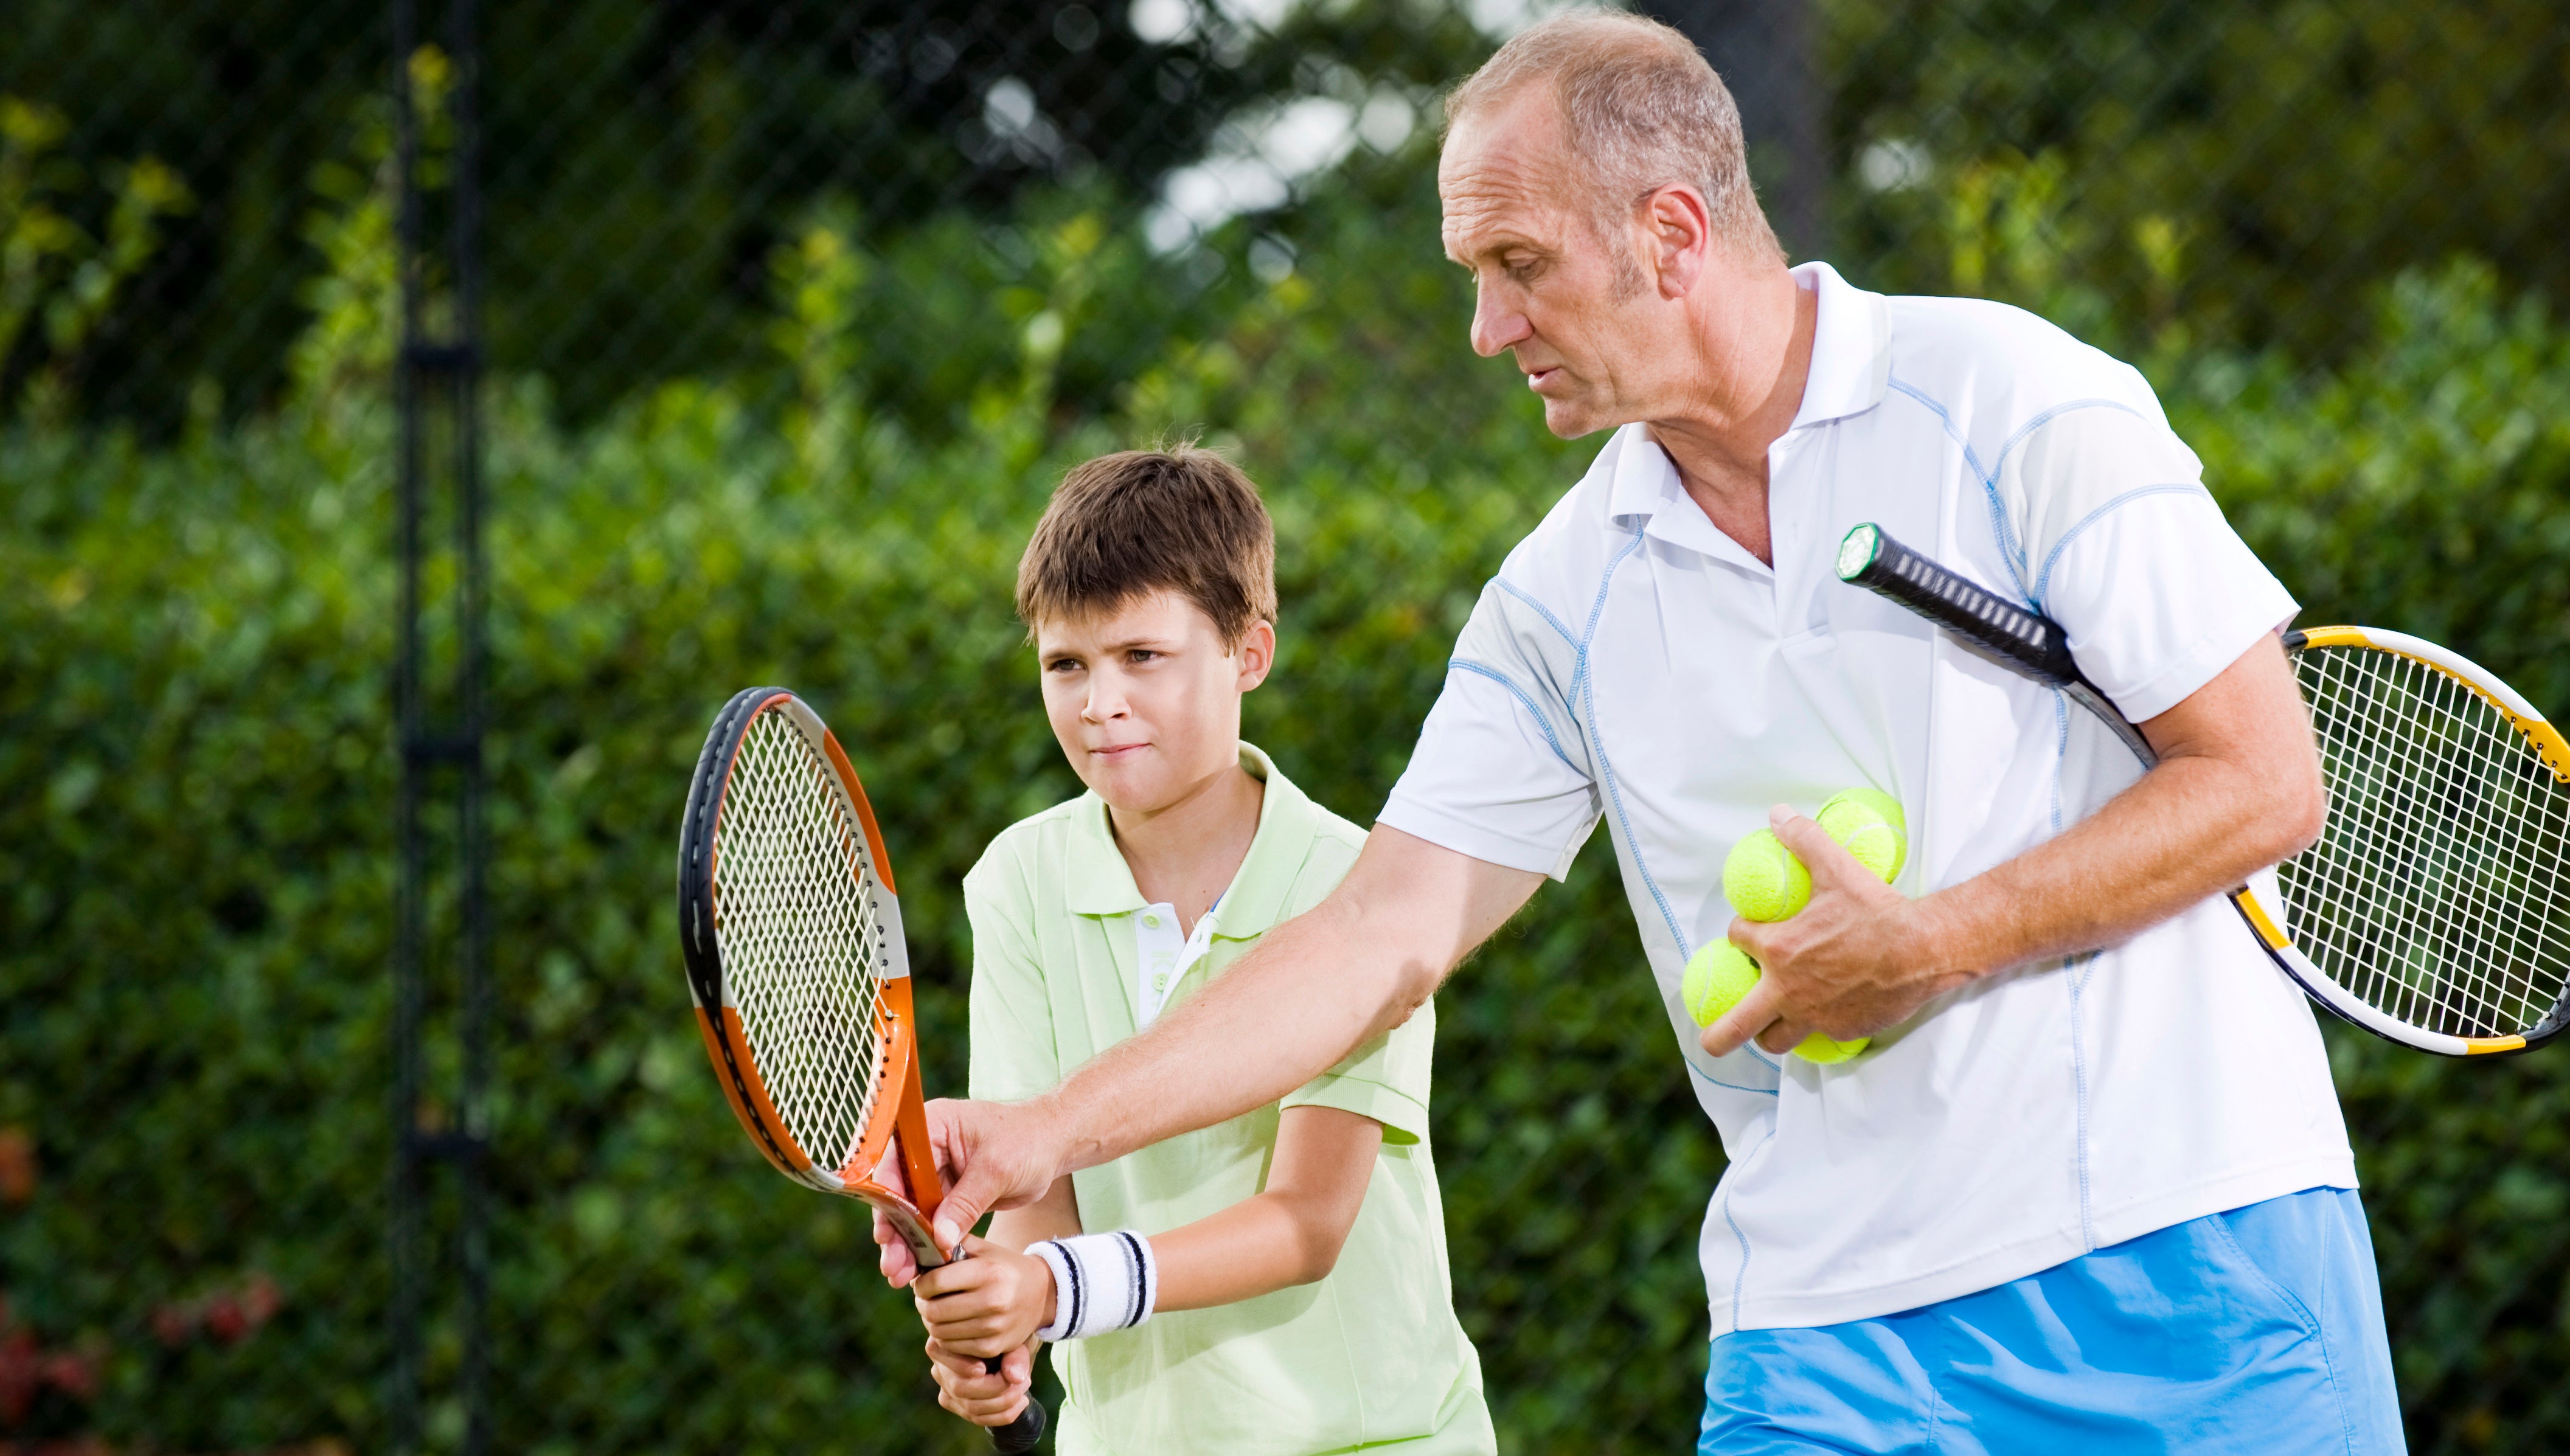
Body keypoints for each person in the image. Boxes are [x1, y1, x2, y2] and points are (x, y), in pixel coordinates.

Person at [908, 13, 2402, 1454]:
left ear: (1672, 234)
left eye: (1519, 267)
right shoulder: (1559, 599)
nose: (1489, 328)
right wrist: (1050, 1131)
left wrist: (1934, 941)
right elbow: (1378, 934)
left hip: (2192, 1250)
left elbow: (2263, 780)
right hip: (1827, 1333)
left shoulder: (2019, 403)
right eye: (1472, 273)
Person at [878, 448, 1495, 1455]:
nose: (1097, 701)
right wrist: (1009, 1308)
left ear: (1248, 654)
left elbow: (1306, 1223)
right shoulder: (1016, 878)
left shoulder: (1362, 886)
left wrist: (1057, 1287)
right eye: (1065, 663)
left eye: (1142, 656)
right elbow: (1033, 1190)